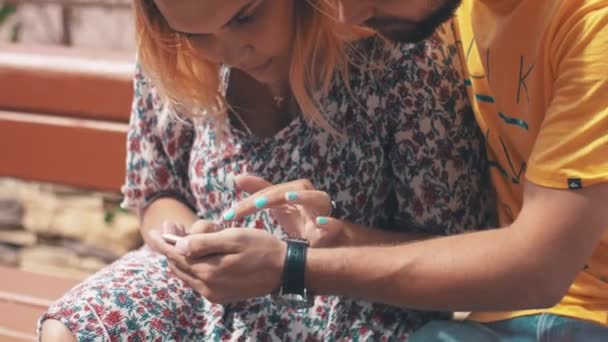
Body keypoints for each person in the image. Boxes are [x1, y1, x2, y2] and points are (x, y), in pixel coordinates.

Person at [39, 0, 494, 340]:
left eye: (246, 16)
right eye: (200, 34)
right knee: (71, 329)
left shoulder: (394, 53)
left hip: (353, 302)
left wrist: (332, 241)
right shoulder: (176, 54)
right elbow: (156, 193)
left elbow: (456, 255)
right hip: (209, 298)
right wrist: (181, 238)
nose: (233, 50)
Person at [168, 0, 607, 340]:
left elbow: (540, 270)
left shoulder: (594, 28)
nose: (347, 13)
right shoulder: (460, 9)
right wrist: (338, 238)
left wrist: (293, 268)